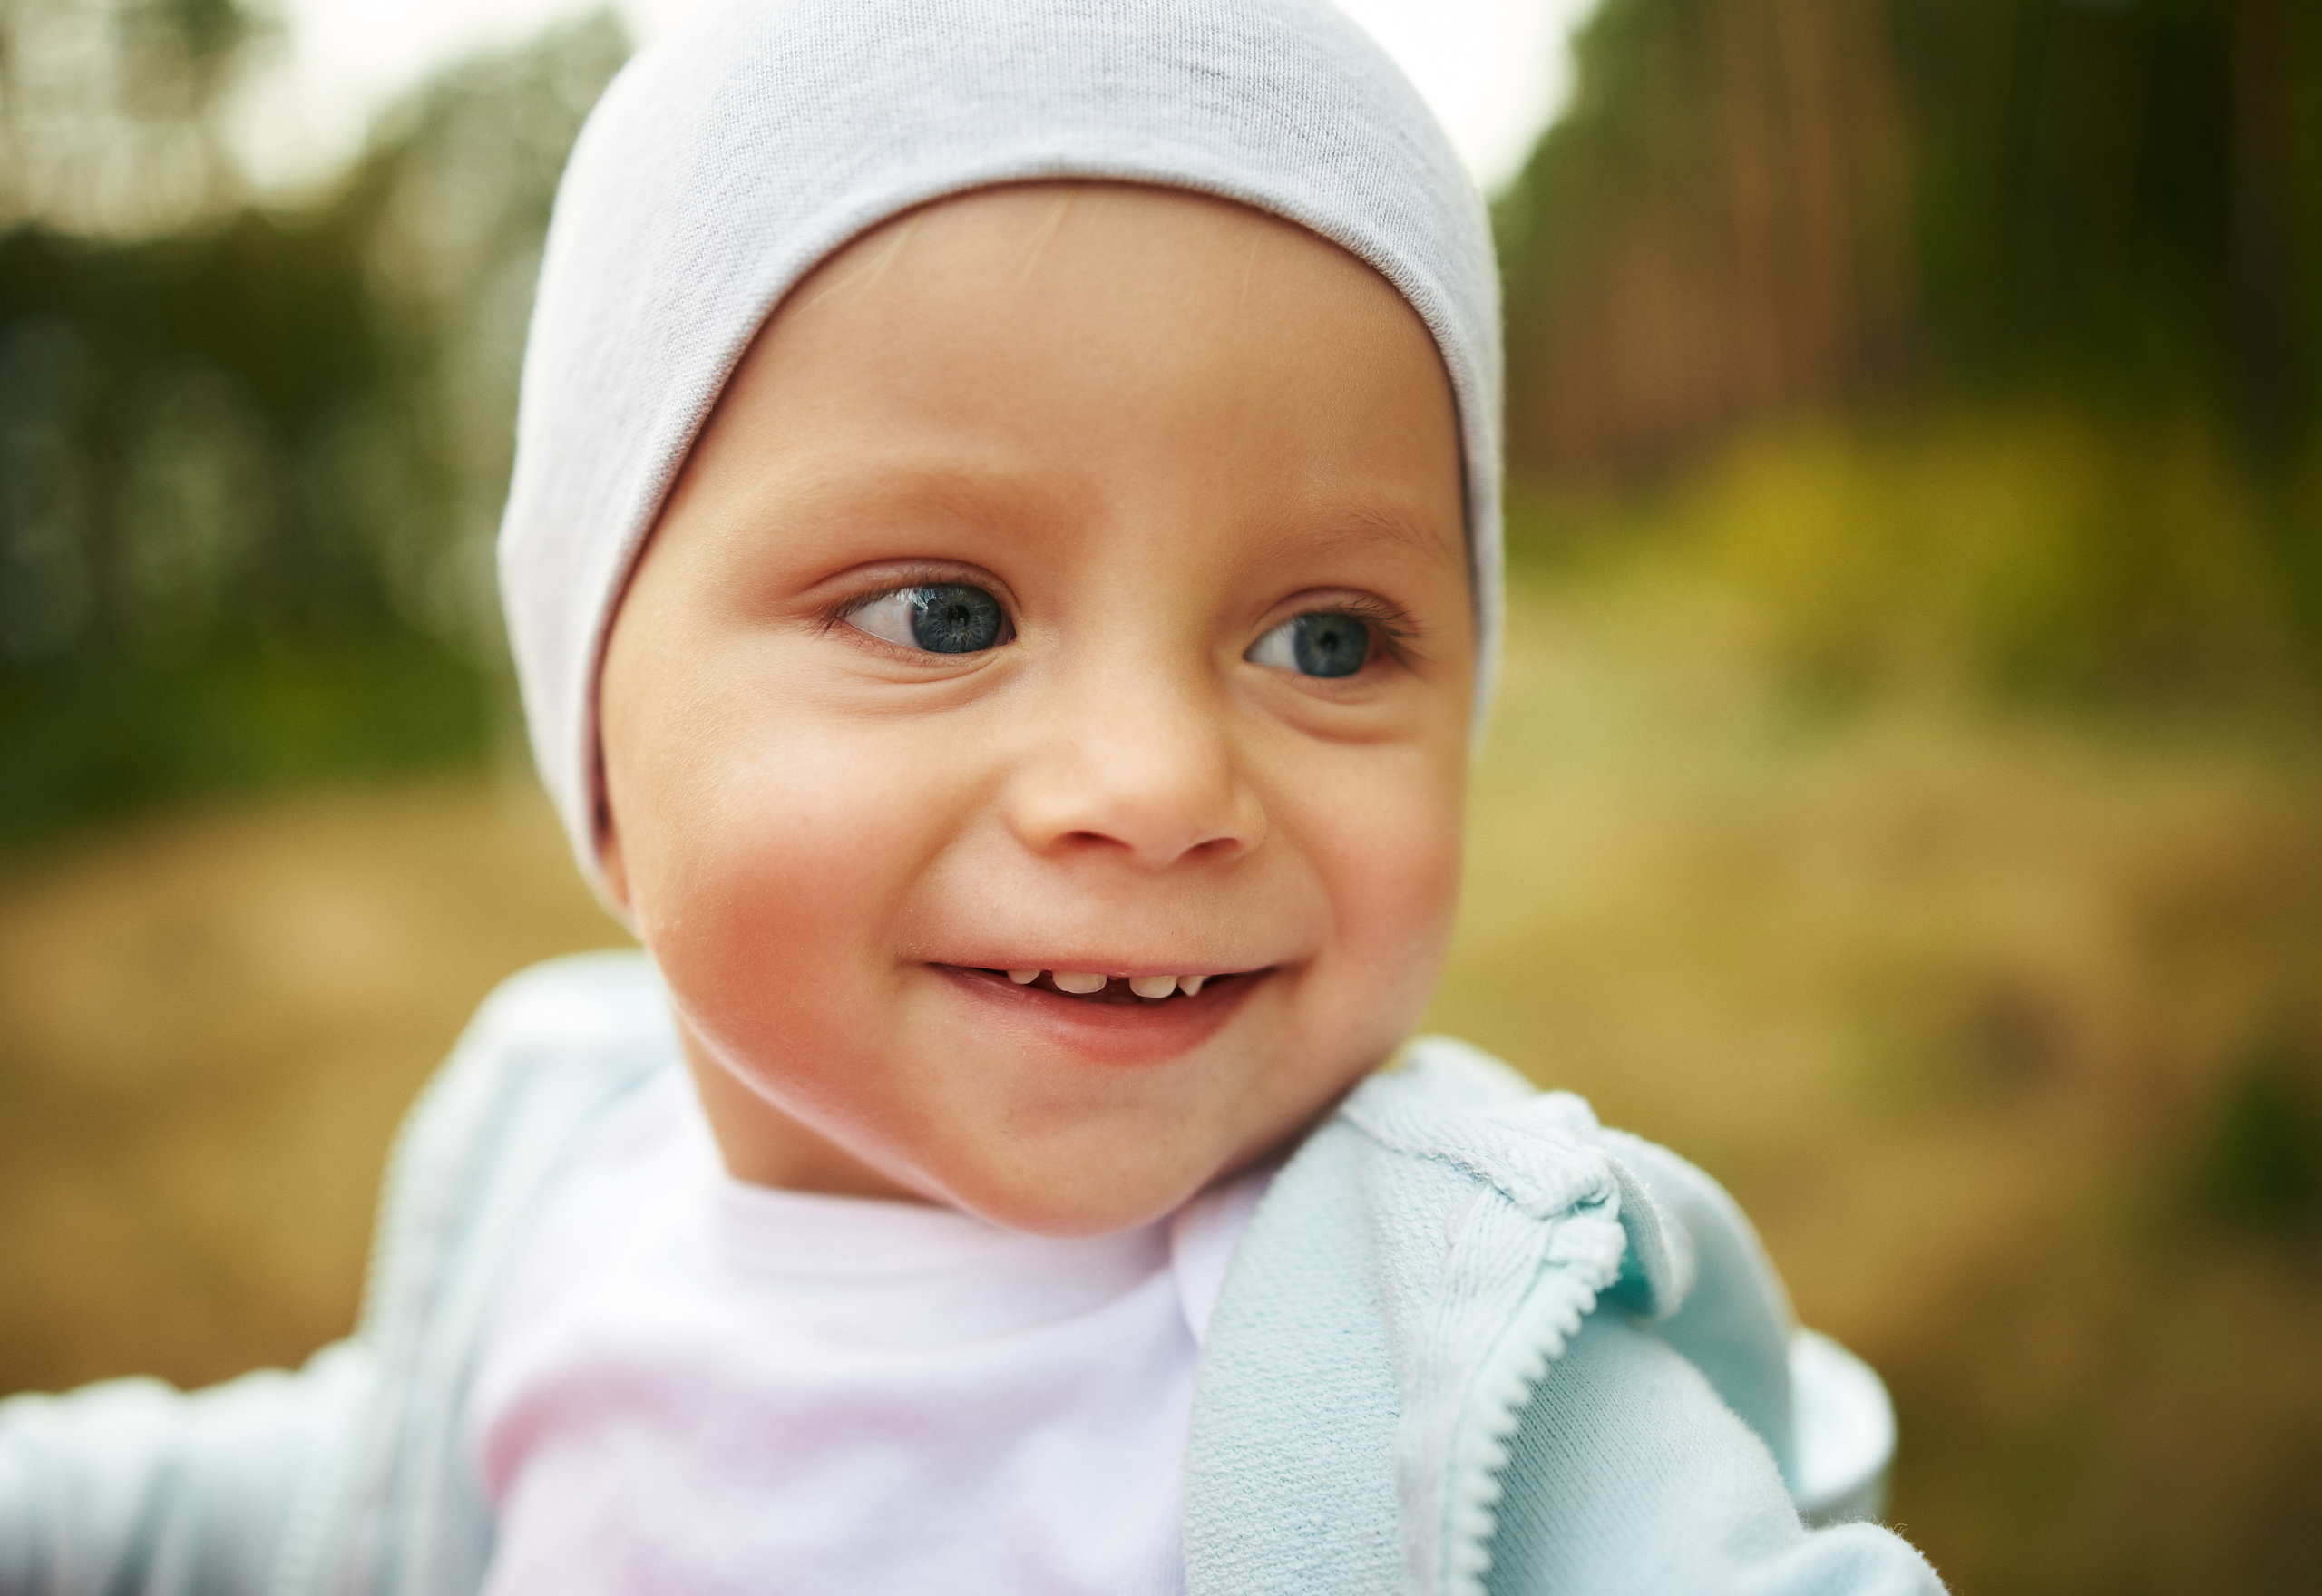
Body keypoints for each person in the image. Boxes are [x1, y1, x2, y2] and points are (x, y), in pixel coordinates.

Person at [0, 2, 1946, 1591]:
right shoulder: (556, 1192)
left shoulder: (1460, 1383)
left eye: (1325, 642)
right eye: (943, 611)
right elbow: (353, 1504)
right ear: (595, 717)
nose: (1160, 784)